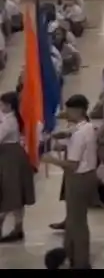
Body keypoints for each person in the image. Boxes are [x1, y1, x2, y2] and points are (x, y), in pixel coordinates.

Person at [41, 94, 97, 269]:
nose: (67, 113)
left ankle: (81, 262)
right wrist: (57, 139)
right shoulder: (86, 127)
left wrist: (51, 160)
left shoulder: (80, 133)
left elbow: (72, 165)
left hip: (78, 178)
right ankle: (70, 254)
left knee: (77, 223)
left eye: (70, 110)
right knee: (73, 221)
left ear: (78, 110)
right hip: (86, 175)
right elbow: (67, 139)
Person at [0, 91, 35, 243]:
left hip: (9, 159)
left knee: (10, 193)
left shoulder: (9, 122)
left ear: (8, 105)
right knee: (15, 194)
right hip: (12, 156)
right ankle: (18, 227)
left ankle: (12, 227)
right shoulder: (11, 117)